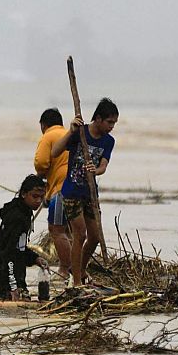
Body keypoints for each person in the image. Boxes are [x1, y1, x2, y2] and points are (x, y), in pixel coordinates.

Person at [51, 98, 118, 287]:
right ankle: (76, 283)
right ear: (98, 119)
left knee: (95, 236)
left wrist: (95, 171)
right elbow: (55, 152)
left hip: (90, 194)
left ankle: (79, 269)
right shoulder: (80, 133)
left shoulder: (108, 141)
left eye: (114, 123)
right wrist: (70, 131)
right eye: (109, 122)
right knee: (79, 234)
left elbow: (103, 166)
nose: (112, 126)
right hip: (71, 192)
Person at [0, 174, 49, 300]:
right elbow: (8, 253)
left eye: (41, 197)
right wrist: (13, 287)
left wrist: (35, 258)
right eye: (35, 196)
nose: (38, 201)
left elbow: (19, 248)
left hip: (15, 278)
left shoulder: (24, 213)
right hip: (3, 280)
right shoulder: (16, 217)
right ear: (23, 194)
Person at [33, 108, 72, 279]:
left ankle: (65, 269)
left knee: (57, 230)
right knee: (72, 231)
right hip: (77, 188)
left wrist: (40, 176)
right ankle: (76, 269)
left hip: (61, 189)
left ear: (43, 125)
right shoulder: (69, 134)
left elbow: (41, 164)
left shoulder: (48, 136)